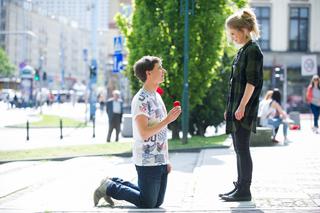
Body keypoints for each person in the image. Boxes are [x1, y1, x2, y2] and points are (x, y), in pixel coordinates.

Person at [93, 56, 181, 208]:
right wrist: (167, 120)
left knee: (156, 202)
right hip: (147, 159)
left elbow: (161, 133)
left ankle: (112, 181)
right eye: (159, 68)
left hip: (160, 159)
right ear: (148, 73)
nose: (163, 71)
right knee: (147, 202)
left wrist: (166, 159)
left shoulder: (156, 95)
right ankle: (109, 187)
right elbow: (144, 133)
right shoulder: (141, 100)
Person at [221, 8, 263, 202]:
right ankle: (240, 186)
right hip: (237, 108)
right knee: (239, 148)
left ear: (244, 29)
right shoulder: (243, 51)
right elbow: (235, 84)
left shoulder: (253, 50)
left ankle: (244, 189)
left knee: (243, 149)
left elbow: (251, 82)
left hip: (244, 109)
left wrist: (241, 107)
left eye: (233, 33)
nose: (232, 37)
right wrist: (230, 109)